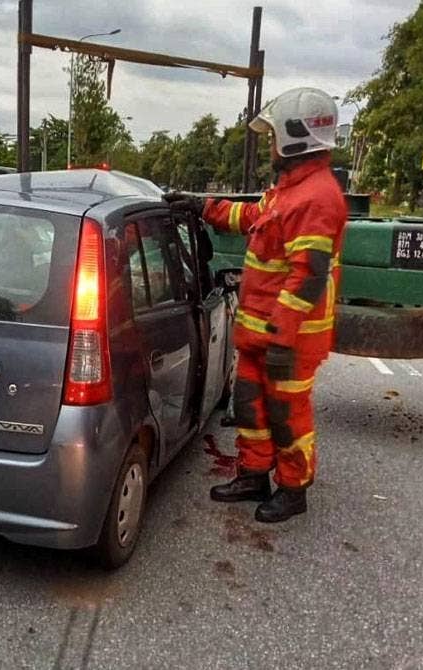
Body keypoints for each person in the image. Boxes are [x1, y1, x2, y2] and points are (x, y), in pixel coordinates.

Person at [164, 87, 348, 523]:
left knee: (287, 416)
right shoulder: (288, 191)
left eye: (273, 137)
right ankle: (253, 473)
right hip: (261, 332)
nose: (269, 145)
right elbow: (248, 219)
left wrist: (281, 338)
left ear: (293, 137)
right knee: (252, 406)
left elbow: (308, 276)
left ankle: (292, 487)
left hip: (289, 338)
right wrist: (202, 207)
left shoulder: (317, 199)